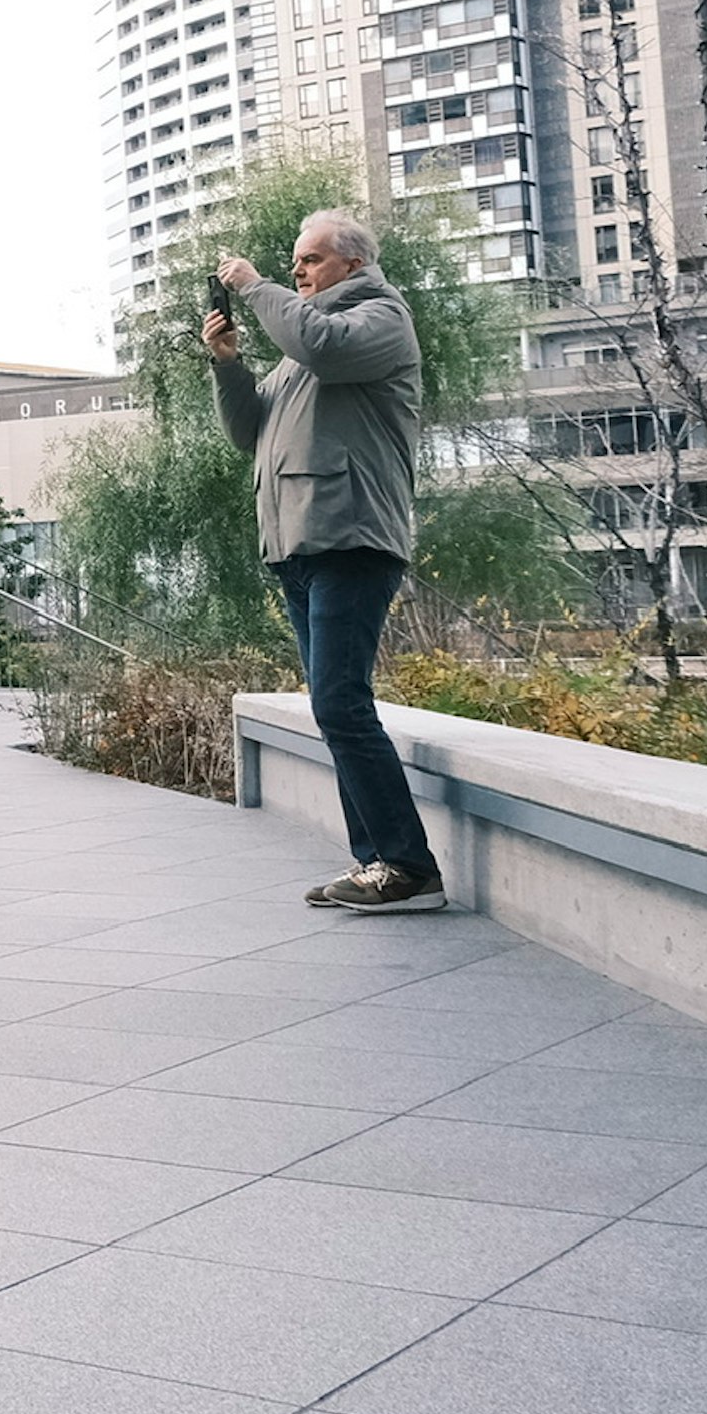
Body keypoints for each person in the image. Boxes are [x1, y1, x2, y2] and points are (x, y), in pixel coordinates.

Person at [207, 210, 447, 912]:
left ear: (353, 263)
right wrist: (228, 365)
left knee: (340, 703)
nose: (298, 272)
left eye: (309, 260)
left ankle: (407, 866)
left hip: (351, 538)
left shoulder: (377, 319)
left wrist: (254, 287)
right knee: (334, 708)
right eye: (293, 262)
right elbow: (248, 433)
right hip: (301, 546)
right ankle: (376, 862)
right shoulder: (301, 346)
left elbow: (323, 346)